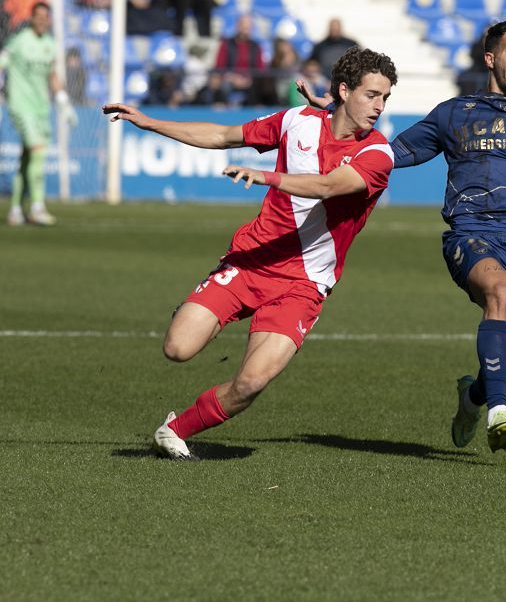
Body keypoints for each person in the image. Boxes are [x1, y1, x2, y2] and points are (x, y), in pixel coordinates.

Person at [302, 18, 506, 452]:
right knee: (500, 291)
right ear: (491, 58)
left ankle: (475, 396)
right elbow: (390, 152)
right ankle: (498, 409)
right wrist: (338, 114)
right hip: (470, 234)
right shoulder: (454, 113)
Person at [100, 47, 399, 460]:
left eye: (385, 97)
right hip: (252, 261)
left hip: (304, 283)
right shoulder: (296, 121)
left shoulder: (378, 154)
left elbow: (328, 186)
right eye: (372, 95)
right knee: (178, 348)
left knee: (251, 383)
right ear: (344, 91)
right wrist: (150, 123)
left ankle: (175, 430)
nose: (380, 106)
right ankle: (204, 300)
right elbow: (224, 136)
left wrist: (268, 176)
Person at [2, 1, 77, 227]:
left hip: (40, 108)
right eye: (39, 16)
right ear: (31, 18)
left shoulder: (50, 45)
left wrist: (63, 101)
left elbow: (52, 75)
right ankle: (37, 207)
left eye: (46, 16)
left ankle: (15, 210)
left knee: (26, 158)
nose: (42, 20)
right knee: (38, 151)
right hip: (20, 106)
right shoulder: (19, 41)